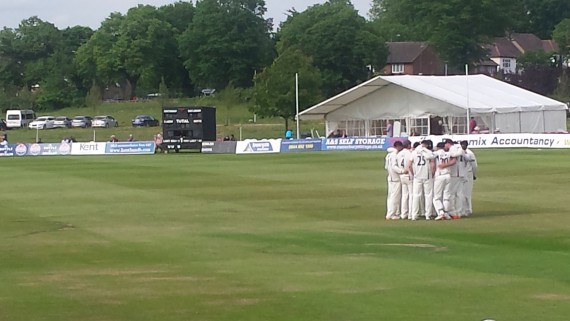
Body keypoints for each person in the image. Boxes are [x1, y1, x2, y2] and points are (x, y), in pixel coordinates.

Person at [408, 140, 436, 220]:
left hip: (417, 176)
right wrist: (432, 173)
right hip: (427, 176)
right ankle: (428, 214)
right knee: (428, 195)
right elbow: (433, 163)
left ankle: (414, 215)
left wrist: (414, 174)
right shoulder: (428, 153)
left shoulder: (414, 153)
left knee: (416, 196)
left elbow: (409, 165)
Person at [432, 139, 458, 220]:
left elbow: (432, 164)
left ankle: (440, 212)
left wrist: (433, 173)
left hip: (439, 176)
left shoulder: (436, 153)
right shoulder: (449, 153)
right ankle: (446, 212)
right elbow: (454, 160)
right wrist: (446, 165)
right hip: (448, 175)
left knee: (436, 197)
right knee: (446, 195)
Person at [385, 141, 404, 220]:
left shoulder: (388, 155)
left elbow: (386, 167)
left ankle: (394, 213)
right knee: (395, 197)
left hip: (390, 177)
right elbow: (394, 167)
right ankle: (391, 214)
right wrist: (402, 171)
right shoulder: (394, 155)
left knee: (390, 197)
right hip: (395, 178)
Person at [397, 140, 413, 219]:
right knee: (411, 195)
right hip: (408, 175)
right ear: (409, 145)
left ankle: (403, 214)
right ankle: (410, 214)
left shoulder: (399, 154)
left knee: (404, 195)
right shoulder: (410, 153)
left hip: (402, 174)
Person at [460, 141, 478, 216]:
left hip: (467, 173)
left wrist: (474, 174)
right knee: (463, 193)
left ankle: (467, 210)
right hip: (464, 174)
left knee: (466, 193)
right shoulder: (467, 153)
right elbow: (474, 165)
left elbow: (474, 165)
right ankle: (464, 210)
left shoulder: (469, 153)